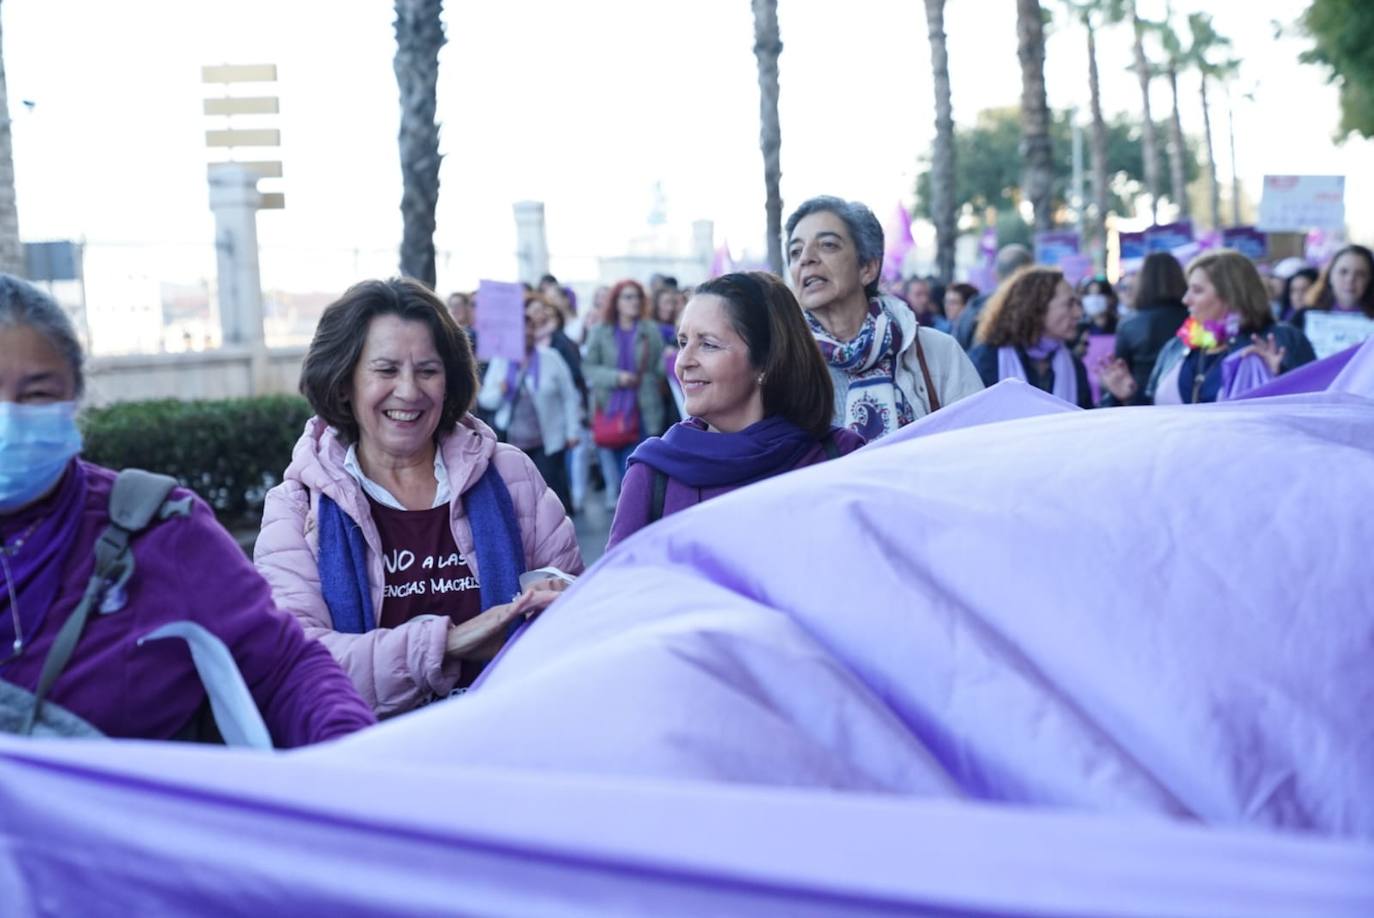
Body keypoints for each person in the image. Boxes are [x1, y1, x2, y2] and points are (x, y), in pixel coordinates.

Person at [0, 275, 376, 743]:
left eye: (36, 395)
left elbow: (283, 668)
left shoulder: (162, 531)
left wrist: (348, 756)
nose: (8, 419)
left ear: (75, 396)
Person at [255, 278, 583, 717]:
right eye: (386, 370)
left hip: (512, 738)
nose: (409, 391)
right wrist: (446, 644)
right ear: (343, 382)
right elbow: (297, 667)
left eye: (427, 371)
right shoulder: (297, 507)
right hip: (378, 754)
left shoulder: (509, 474)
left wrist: (557, 601)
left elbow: (580, 619)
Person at [607, 272, 864, 549]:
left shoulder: (841, 457)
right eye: (682, 343)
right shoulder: (652, 474)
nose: (683, 361)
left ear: (766, 360)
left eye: (708, 344)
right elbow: (618, 577)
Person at [785, 196, 983, 441]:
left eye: (828, 245)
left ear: (868, 268)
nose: (806, 258)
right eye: (795, 251)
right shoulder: (783, 367)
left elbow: (978, 445)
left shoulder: (937, 352)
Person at [1100, 250, 1316, 405]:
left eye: (1197, 290)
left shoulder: (1282, 339)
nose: (1185, 299)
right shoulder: (1176, 347)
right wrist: (1128, 396)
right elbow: (1155, 417)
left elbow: (1314, 408)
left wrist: (1282, 379)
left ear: (1231, 295)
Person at [478, 295, 582, 513]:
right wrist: (501, 391)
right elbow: (486, 399)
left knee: (551, 495)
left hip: (548, 440)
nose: (525, 334)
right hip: (513, 442)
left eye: (529, 328)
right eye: (520, 330)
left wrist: (572, 431)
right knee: (521, 498)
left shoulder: (551, 357)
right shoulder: (501, 361)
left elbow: (568, 396)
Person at [581, 279, 665, 509]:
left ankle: (636, 509)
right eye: (628, 297)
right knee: (615, 466)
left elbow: (658, 367)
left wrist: (671, 359)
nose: (634, 302)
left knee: (638, 467)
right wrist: (616, 377)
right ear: (616, 302)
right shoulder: (600, 331)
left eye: (637, 297)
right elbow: (588, 367)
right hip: (610, 406)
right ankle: (620, 506)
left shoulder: (649, 330)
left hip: (644, 406)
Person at [967, 267, 1093, 408]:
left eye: (1077, 304)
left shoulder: (1074, 366)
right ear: (1037, 308)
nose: (1078, 314)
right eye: (1069, 304)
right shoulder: (986, 361)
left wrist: (1113, 396)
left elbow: (1086, 419)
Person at [1100, 252, 1188, 406]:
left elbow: (1122, 367)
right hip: (1185, 399)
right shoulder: (1193, 319)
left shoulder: (1129, 324)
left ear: (1143, 281)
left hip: (1141, 403)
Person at [953, 244, 1035, 349]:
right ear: (1031, 273)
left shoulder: (976, 306)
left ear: (995, 274)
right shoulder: (1039, 306)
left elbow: (958, 346)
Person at [1292, 244, 1374, 332]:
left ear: (1370, 279)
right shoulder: (1303, 317)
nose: (1350, 279)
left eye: (1360, 274)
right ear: (1330, 276)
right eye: (1343, 272)